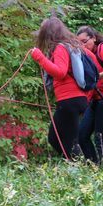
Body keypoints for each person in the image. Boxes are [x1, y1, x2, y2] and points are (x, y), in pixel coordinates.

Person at [31, 17, 90, 159]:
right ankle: (77, 166)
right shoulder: (68, 46)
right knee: (59, 139)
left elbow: (60, 72)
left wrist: (40, 58)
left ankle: (79, 168)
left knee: (61, 140)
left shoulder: (61, 48)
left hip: (70, 100)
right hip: (73, 100)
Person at [76, 26, 103, 164]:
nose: (83, 45)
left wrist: (95, 77)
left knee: (101, 138)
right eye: (79, 43)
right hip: (95, 100)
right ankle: (95, 167)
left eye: (85, 41)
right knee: (81, 135)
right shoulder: (86, 55)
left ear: (94, 38)